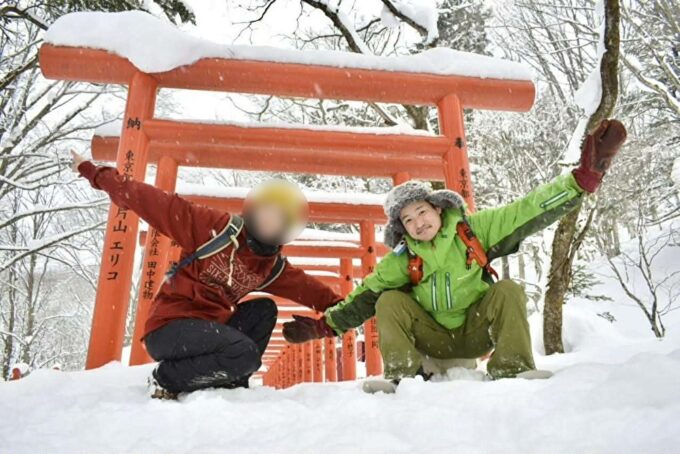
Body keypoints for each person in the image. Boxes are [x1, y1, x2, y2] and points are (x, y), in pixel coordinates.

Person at [283, 119, 627, 389]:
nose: (418, 223)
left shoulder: (473, 230)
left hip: (476, 333)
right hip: (431, 338)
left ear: (437, 207)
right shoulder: (402, 260)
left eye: (421, 212)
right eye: (408, 220)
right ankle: (404, 376)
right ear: (402, 229)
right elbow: (362, 299)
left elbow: (526, 210)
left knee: (507, 290)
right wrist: (323, 327)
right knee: (387, 300)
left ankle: (512, 368)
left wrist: (580, 181)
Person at [71, 151, 342, 399]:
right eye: (266, 213)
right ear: (253, 210)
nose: (269, 222)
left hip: (211, 332)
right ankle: (165, 379)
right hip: (171, 328)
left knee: (264, 310)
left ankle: (231, 384)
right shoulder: (215, 229)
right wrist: (93, 172)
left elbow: (323, 297)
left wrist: (324, 327)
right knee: (245, 355)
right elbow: (148, 200)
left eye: (279, 219)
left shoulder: (270, 266)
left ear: (287, 228)